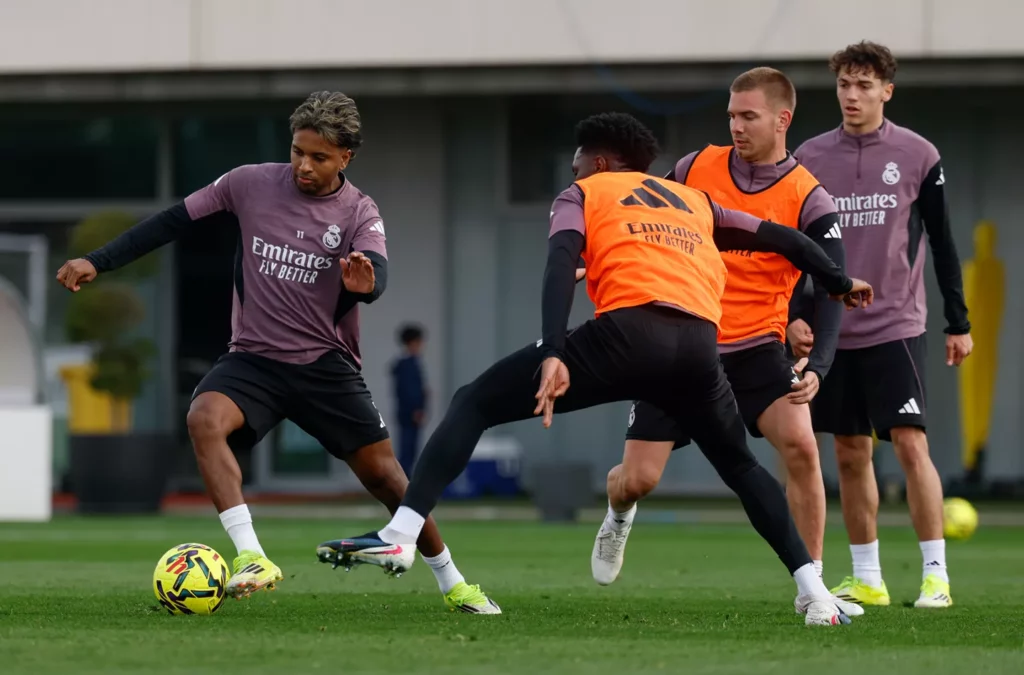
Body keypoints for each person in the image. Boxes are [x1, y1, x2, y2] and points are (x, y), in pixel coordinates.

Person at [317, 111, 874, 626]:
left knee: (474, 400)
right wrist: (838, 282)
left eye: (579, 156)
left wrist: (555, 349)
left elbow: (560, 261)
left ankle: (402, 530)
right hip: (701, 345)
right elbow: (784, 239)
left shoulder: (583, 191)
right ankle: (816, 595)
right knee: (741, 467)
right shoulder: (691, 200)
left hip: (627, 336)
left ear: (601, 162)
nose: (574, 166)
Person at [55, 91, 500, 615]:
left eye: (318, 157)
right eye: (297, 152)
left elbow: (376, 273)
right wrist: (98, 261)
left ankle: (454, 584)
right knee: (203, 418)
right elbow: (173, 221)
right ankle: (252, 557)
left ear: (345, 158)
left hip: (324, 365)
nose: (304, 166)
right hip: (253, 358)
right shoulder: (248, 183)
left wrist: (365, 284)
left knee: (388, 479)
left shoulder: (359, 211)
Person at [588, 67, 860, 617]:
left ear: (783, 120)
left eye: (749, 116)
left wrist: (819, 365)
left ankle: (814, 588)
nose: (736, 126)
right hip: (686, 340)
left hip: (760, 347)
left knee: (803, 449)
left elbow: (835, 287)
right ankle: (618, 516)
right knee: (637, 480)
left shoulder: (811, 198)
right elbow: (640, 214)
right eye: (732, 115)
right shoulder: (693, 168)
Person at [794, 41, 972, 609]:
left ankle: (936, 577)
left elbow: (942, 244)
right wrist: (794, 317)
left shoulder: (918, 154)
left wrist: (958, 322)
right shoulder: (810, 156)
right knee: (848, 450)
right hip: (830, 327)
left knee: (910, 445)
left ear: (886, 91)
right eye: (845, 85)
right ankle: (867, 576)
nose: (852, 95)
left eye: (864, 85)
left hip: (897, 323)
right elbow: (794, 248)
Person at [391, 323, 429, 476]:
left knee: (410, 451)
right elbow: (409, 391)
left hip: (408, 414)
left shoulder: (408, 363)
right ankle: (403, 484)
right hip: (410, 415)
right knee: (408, 451)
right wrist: (416, 409)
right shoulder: (407, 364)